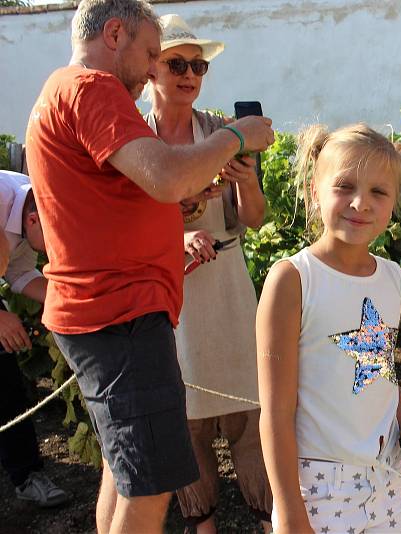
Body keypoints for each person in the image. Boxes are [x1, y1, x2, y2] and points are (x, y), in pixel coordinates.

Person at [23, 0, 274, 532]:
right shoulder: (92, 87)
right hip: (122, 316)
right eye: (154, 56)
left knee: (126, 471)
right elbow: (164, 176)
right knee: (152, 484)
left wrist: (173, 210)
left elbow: (127, 197)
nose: (154, 69)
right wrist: (238, 135)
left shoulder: (64, 91)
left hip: (108, 315)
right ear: (114, 33)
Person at [256, 123, 401, 534]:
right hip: (316, 490)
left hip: (387, 484)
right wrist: (290, 513)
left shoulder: (395, 280)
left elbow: (379, 374)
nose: (360, 203)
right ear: (315, 190)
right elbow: (275, 413)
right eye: (344, 186)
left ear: (394, 202)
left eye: (378, 192)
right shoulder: (293, 280)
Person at [142, 14, 271, 533]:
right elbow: (124, 222)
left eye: (198, 65)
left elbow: (256, 218)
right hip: (170, 287)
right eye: (177, 63)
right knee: (188, 416)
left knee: (249, 409)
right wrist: (175, 234)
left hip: (225, 281)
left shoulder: (222, 131)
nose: (190, 74)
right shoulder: (135, 139)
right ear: (151, 69)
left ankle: (268, 519)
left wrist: (245, 182)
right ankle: (204, 524)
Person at [0, 169, 69, 508]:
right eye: (54, 241)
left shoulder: (33, 209)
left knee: (6, 380)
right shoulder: (1, 197)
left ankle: (27, 476)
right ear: (31, 220)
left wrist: (70, 302)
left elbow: (20, 272)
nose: (52, 253)